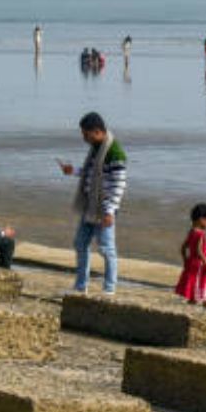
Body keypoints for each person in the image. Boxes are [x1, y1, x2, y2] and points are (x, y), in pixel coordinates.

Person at [58, 112, 127, 295]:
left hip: (104, 210)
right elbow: (91, 173)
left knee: (106, 249)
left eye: (85, 134)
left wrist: (109, 211)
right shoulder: (96, 148)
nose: (84, 138)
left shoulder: (114, 152)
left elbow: (118, 185)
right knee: (80, 243)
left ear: (97, 132)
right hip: (89, 207)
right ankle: (81, 286)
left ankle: (109, 289)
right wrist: (72, 171)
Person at [174, 203, 206, 307]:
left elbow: (183, 248)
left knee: (194, 290)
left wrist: (186, 261)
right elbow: (199, 251)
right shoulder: (201, 234)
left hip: (192, 263)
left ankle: (191, 307)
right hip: (202, 265)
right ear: (201, 219)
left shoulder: (191, 232)